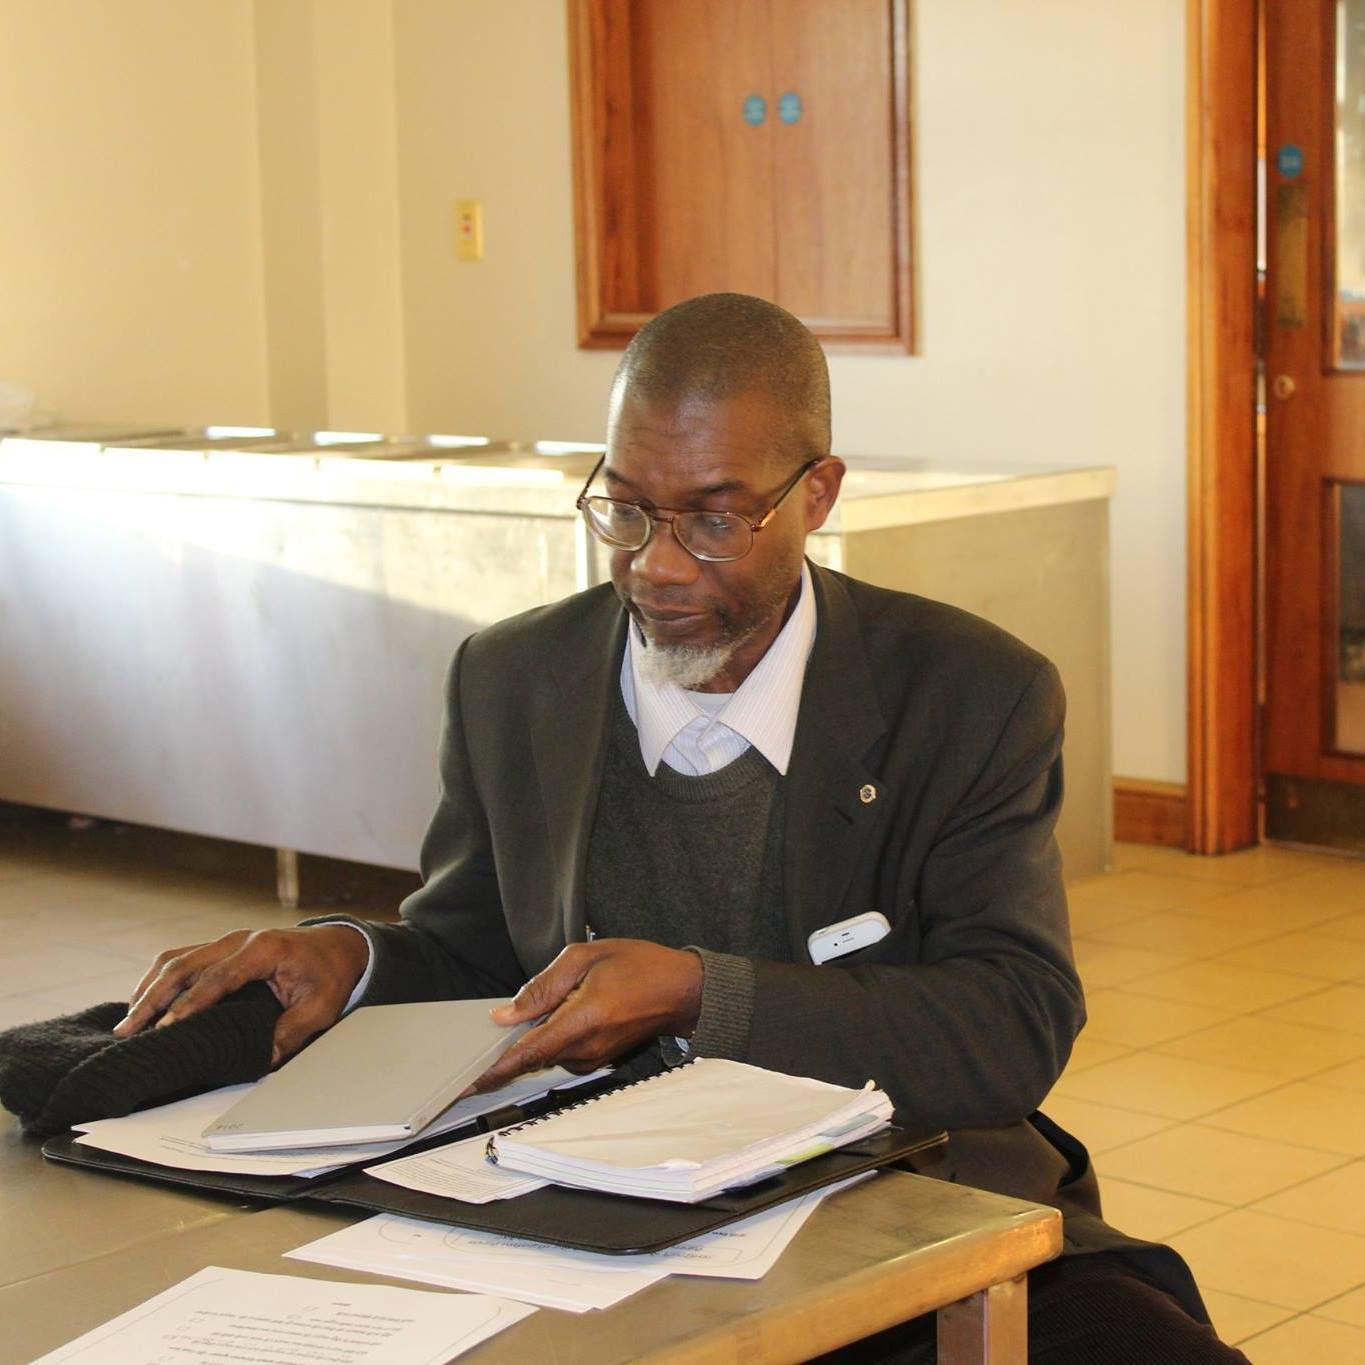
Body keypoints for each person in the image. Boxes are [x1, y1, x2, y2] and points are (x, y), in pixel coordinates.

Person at [115, 294, 1246, 1362]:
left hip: (904, 1191)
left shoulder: (965, 692)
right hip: (583, 1212)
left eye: (713, 519)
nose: (654, 566)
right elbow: (479, 959)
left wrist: (705, 995)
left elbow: (1008, 1024)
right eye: (625, 509)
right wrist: (348, 958)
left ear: (817, 494)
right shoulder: (515, 677)